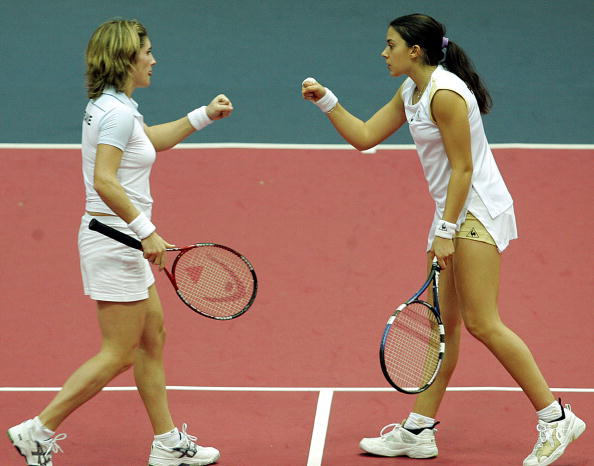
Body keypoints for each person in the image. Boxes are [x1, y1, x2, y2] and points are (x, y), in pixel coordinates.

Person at [301, 13, 585, 466]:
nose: (383, 51)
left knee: (483, 323)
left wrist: (447, 232)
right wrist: (326, 100)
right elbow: (366, 137)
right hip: (451, 213)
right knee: (443, 329)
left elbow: (464, 168)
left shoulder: (446, 94)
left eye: (390, 44)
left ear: (414, 50)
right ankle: (418, 430)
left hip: (475, 212)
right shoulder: (411, 89)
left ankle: (556, 419)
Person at [7, 19, 233, 466]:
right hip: (114, 239)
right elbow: (104, 179)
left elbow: (145, 142)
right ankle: (37, 430)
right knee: (119, 353)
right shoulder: (115, 113)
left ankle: (166, 443)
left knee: (152, 340)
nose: (153, 59)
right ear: (127, 58)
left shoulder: (117, 106)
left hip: (119, 237)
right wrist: (145, 230)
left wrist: (203, 115)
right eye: (147, 51)